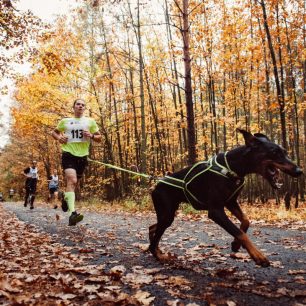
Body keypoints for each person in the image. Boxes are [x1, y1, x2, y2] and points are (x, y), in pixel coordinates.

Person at [51, 98, 101, 226]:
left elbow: (99, 137)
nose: (80, 106)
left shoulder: (90, 121)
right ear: (74, 107)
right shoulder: (65, 121)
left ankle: (65, 199)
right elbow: (54, 132)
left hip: (82, 157)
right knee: (72, 181)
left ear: (85, 108)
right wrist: (59, 138)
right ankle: (72, 215)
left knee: (74, 185)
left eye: (83, 105)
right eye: (78, 104)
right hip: (68, 154)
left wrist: (91, 136)